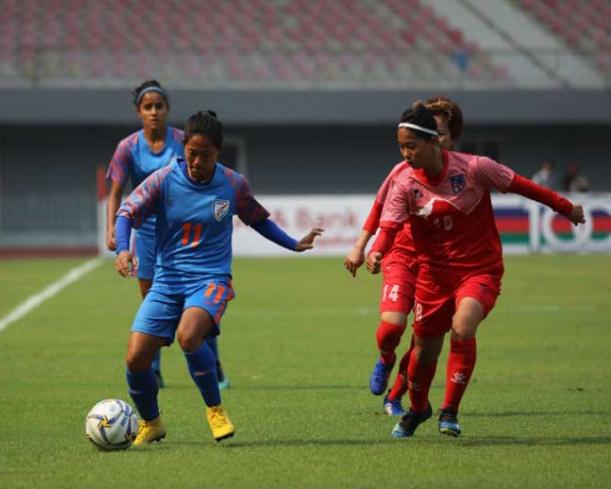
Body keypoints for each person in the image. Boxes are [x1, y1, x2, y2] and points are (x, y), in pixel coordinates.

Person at [366, 102, 584, 438]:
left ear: (434, 142)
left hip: (478, 269)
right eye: (401, 147)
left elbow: (522, 185)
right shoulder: (404, 183)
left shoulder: (475, 168)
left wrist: (565, 207)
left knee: (463, 328)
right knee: (424, 350)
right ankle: (418, 409)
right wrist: (377, 251)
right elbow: (390, 227)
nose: (405, 154)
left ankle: (449, 411)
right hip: (432, 275)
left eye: (411, 146)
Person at [114, 111, 322, 445]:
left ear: (219, 152)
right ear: (183, 149)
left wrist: (293, 243)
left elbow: (257, 219)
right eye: (191, 154)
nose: (197, 162)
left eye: (206, 155)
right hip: (167, 282)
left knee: (188, 336)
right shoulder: (163, 180)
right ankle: (152, 422)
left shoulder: (232, 184)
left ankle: (215, 410)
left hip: (211, 279)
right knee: (135, 358)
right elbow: (126, 213)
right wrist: (124, 250)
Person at [106, 80, 230, 390]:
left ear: (167, 109)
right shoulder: (127, 147)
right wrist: (113, 230)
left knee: (197, 305)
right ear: (139, 112)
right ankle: (154, 369)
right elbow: (116, 192)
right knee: (154, 301)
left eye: (159, 106)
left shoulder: (183, 141)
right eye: (147, 107)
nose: (154, 112)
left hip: (181, 232)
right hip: (146, 235)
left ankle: (214, 366)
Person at [344, 96, 463, 417]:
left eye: (442, 133)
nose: (436, 138)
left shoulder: (462, 175)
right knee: (393, 326)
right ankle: (385, 358)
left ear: (450, 139)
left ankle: (395, 396)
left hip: (437, 266)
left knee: (424, 341)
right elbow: (379, 209)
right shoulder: (403, 171)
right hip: (401, 255)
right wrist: (362, 247)